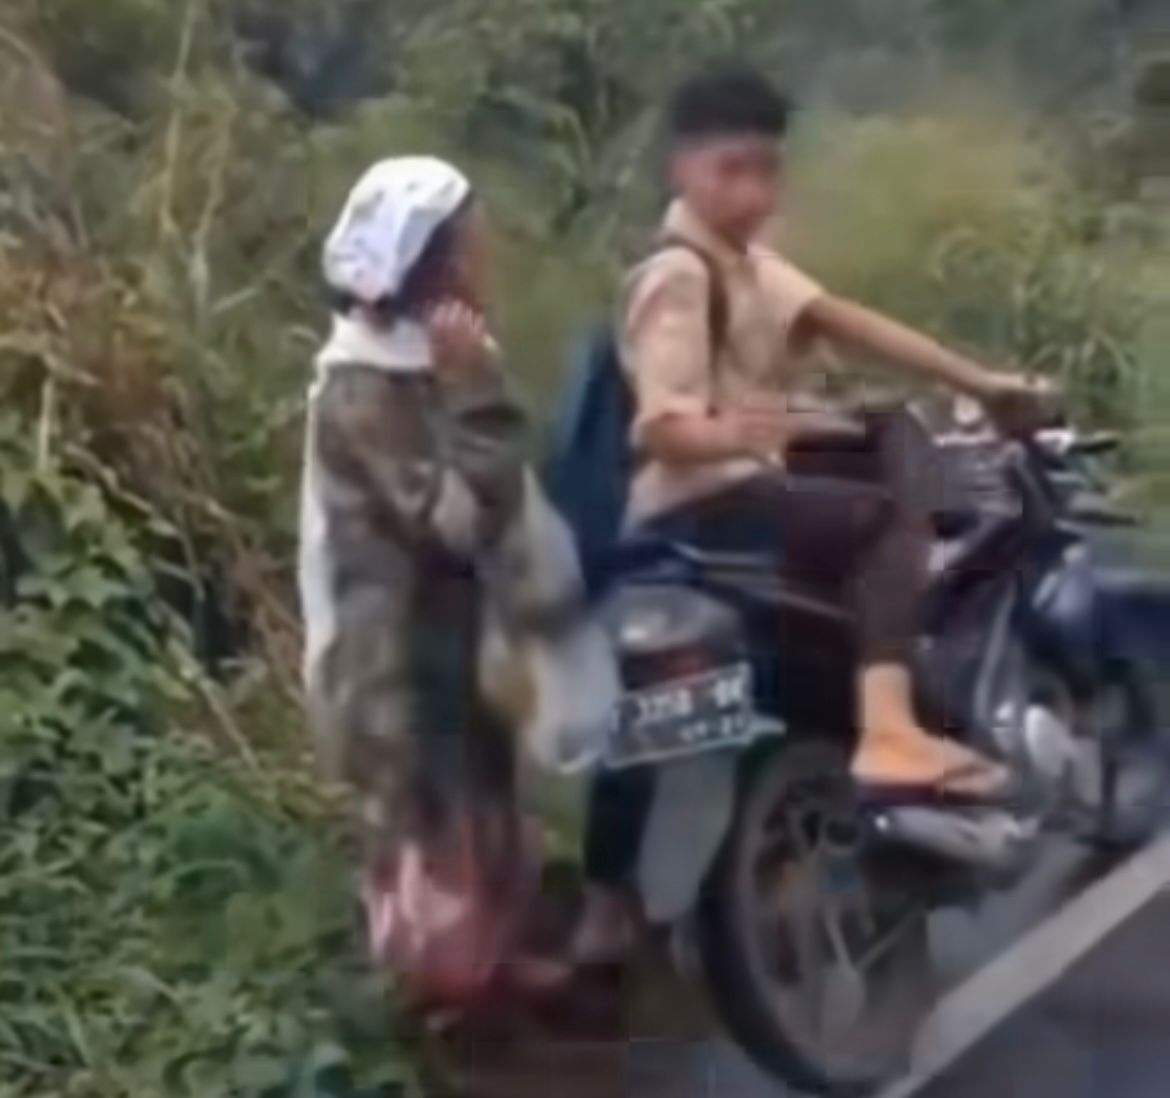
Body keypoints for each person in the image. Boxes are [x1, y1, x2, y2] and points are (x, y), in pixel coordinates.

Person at [573, 67, 1053, 965]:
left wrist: (980, 381)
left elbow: (851, 323)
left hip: (721, 504)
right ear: (683, 168)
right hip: (704, 508)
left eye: (767, 171)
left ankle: (892, 698)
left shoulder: (744, 266)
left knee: (891, 433)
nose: (753, 193)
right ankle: (889, 730)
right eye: (731, 171)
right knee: (875, 520)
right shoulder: (677, 276)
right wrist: (742, 432)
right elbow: (664, 426)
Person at [300, 156, 604, 1006]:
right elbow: (460, 521)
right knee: (426, 823)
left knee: (487, 792)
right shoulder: (364, 391)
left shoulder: (432, 356)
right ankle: (428, 998)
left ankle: (489, 977)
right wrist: (476, 393)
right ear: (431, 265)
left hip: (458, 631)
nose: (487, 255)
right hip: (395, 652)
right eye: (471, 243)